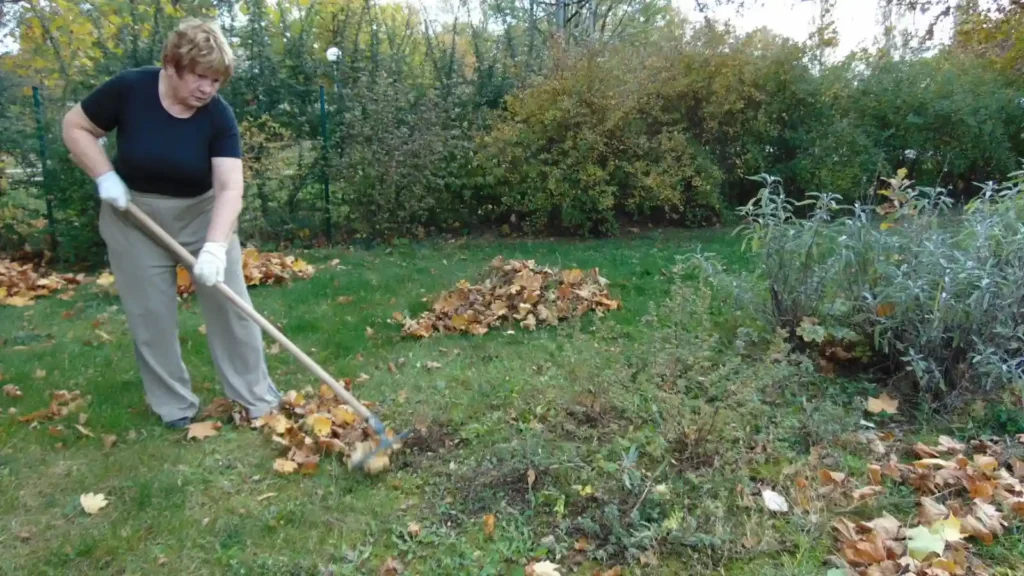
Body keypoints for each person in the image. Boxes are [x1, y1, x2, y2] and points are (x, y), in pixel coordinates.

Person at [61, 17, 281, 429]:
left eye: (216, 81)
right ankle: (174, 407)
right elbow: (75, 127)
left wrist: (215, 246)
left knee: (232, 306)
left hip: (202, 215)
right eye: (200, 76)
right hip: (133, 217)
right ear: (171, 64)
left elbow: (230, 187)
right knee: (151, 316)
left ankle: (256, 396)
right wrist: (104, 176)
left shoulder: (218, 116)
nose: (208, 89)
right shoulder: (130, 89)